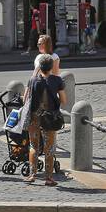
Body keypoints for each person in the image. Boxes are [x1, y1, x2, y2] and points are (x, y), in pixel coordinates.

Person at [26, 53, 66, 186]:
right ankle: (48, 178)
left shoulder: (32, 80)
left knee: (33, 145)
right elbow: (64, 100)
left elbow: (26, 99)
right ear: (51, 66)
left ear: (40, 67)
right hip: (49, 117)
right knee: (49, 148)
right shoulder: (57, 80)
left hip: (34, 117)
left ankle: (32, 174)